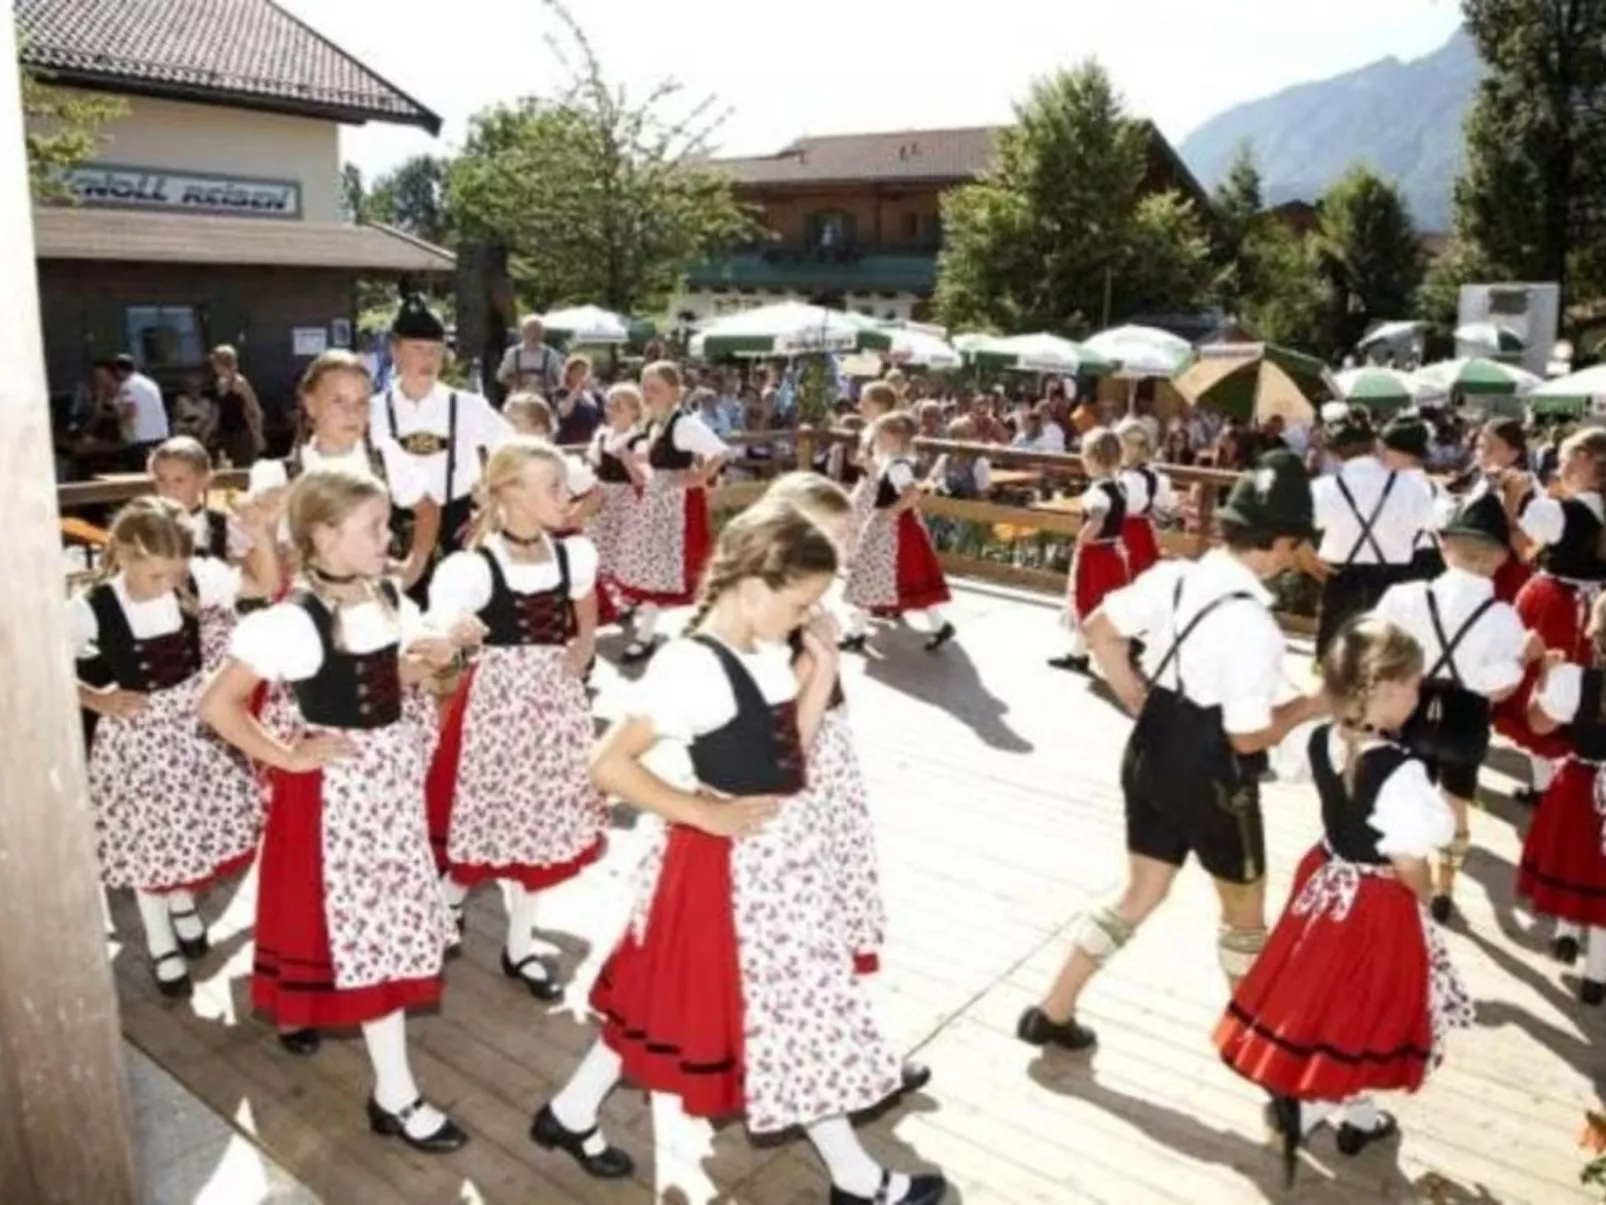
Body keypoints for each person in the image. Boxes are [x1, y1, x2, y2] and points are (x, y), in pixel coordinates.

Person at [534, 501, 946, 1205]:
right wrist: (702, 810)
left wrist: (817, 672)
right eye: (800, 602)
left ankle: (570, 1111)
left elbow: (788, 760)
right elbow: (608, 763)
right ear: (753, 587)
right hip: (727, 868)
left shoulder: (764, 652)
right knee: (795, 1013)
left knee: (670, 1002)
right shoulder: (691, 665)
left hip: (775, 858)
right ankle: (856, 1178)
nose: (806, 615)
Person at [199, 467, 477, 1150]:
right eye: (375, 527)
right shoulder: (294, 619)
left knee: (378, 930)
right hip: (342, 798)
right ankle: (397, 1094)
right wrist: (288, 754)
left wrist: (442, 654)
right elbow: (216, 705)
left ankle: (386, 1082)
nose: (391, 537)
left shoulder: (381, 593)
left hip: (390, 787)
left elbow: (393, 673)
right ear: (324, 534)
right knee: (370, 938)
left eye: (387, 523)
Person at [1018, 450, 1327, 1054]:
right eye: (1295, 548)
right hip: (1213, 769)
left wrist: (1132, 690)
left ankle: (1052, 1009)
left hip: (1152, 742)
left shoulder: (1174, 575)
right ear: (1281, 541)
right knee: (1243, 913)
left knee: (1140, 892)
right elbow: (1247, 736)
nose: (1294, 561)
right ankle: (1258, 1045)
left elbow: (1098, 628)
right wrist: (1310, 707)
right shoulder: (1253, 624)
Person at [1215, 616, 1472, 1187]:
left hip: (1327, 884)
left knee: (1338, 1005)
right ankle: (1306, 1111)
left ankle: (1360, 1118)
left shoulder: (1321, 739)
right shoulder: (1402, 773)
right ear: (1381, 690)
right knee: (1367, 1008)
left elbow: (1285, 769)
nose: (1418, 692)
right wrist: (1429, 896)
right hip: (1375, 902)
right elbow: (1407, 861)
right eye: (1412, 683)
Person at [425, 440, 606, 997]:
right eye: (551, 487)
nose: (565, 494)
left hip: (554, 706)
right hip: (499, 709)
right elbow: (443, 622)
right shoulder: (476, 566)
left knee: (541, 823)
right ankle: (447, 901)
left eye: (563, 484)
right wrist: (456, 630)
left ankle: (520, 946)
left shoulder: (571, 554)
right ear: (510, 493)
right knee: (488, 813)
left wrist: (584, 644)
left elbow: (585, 601)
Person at [71, 498, 267, 998]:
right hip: (139, 738)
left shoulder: (195, 577)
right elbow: (31, 656)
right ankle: (160, 939)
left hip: (195, 727)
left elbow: (264, 584)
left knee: (190, 827)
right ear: (126, 558)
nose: (168, 586)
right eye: (156, 575)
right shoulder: (93, 607)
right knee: (150, 838)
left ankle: (181, 903)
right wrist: (97, 697)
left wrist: (260, 532)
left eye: (174, 574)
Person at [1375, 492, 1531, 924]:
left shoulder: (1404, 596)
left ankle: (1403, 878)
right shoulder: (1504, 616)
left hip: (1407, 705)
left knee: (1406, 797)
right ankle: (1445, 888)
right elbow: (1501, 689)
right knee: (1456, 801)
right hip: (1466, 717)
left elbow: (1376, 653)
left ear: (1445, 546)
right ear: (1500, 558)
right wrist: (1518, 661)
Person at [254, 351, 440, 594]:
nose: (352, 413)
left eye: (362, 402)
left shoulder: (383, 458)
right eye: (339, 401)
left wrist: (412, 568)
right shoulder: (278, 475)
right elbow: (256, 552)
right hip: (307, 605)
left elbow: (428, 509)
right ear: (310, 404)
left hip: (374, 602)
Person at [1494, 428, 1606, 806]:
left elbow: (1522, 548)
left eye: (1568, 453)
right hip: (1596, 607)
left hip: (1555, 605)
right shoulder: (1575, 508)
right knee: (1585, 688)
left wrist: (1511, 504)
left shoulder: (1559, 512)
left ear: (1589, 460)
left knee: (1537, 685)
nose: (1560, 460)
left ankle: (1545, 786)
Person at [371, 295, 510, 594]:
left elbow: (519, 454)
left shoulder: (468, 406)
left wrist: (490, 511)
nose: (428, 359)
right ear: (395, 350)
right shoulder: (373, 411)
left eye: (435, 350)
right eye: (418, 349)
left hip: (456, 526)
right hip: (391, 530)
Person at [1518, 592, 1606, 1003]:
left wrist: (1545, 679)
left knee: (1575, 858)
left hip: (1581, 783)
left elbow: (1538, 724)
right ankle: (1598, 973)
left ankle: (1567, 933)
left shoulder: (1575, 680)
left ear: (1595, 633)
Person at [613, 360, 729, 661]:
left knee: (666, 566)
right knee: (652, 565)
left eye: (655, 388)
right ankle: (650, 626)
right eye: (645, 387)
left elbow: (720, 451)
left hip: (675, 507)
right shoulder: (656, 422)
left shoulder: (684, 423)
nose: (648, 394)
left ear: (675, 392)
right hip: (656, 502)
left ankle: (646, 634)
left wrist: (699, 477)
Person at [1306, 407, 1435, 659]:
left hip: (1341, 577)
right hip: (1394, 579)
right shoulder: (1411, 485)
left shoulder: (1324, 488)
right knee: (1382, 661)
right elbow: (1428, 523)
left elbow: (1304, 525)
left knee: (1336, 661)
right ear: (1375, 443)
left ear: (1334, 451)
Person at [840, 412, 955, 653]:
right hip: (894, 527)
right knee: (890, 578)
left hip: (891, 530)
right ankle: (939, 624)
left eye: (880, 436)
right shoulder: (892, 462)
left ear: (894, 438)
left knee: (870, 575)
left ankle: (855, 633)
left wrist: (889, 512)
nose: (877, 441)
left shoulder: (897, 466)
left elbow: (911, 494)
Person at [1050, 428, 1130, 674]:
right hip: (1113, 552)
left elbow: (1095, 521)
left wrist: (1080, 539)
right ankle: (1080, 652)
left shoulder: (1096, 493)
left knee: (1086, 599)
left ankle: (1084, 653)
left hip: (1094, 554)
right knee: (1103, 602)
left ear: (1094, 459)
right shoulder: (1121, 489)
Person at [585, 383, 648, 627]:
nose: (611, 410)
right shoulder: (601, 435)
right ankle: (604, 599)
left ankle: (627, 600)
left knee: (624, 551)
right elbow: (592, 468)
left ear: (634, 410)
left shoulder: (639, 440)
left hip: (626, 501)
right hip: (601, 498)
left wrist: (627, 458)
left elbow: (642, 479)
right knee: (597, 549)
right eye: (610, 405)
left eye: (618, 406)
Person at [1378, 415, 1445, 580]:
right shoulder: (1433, 485)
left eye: (1385, 448)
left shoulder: (1393, 485)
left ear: (1403, 451)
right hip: (1429, 562)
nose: (1380, 454)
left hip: (1401, 563)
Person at [1117, 420, 1176, 580]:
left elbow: (1165, 512)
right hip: (1140, 533)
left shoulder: (1131, 478)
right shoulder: (1153, 477)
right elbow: (1166, 510)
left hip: (1127, 533)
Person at [208, 344, 265, 467]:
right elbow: (218, 409)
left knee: (243, 469)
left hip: (241, 434)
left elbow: (255, 410)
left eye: (216, 364)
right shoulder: (220, 382)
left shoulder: (240, 383)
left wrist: (258, 435)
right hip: (225, 432)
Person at [112, 352, 170, 465]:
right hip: (160, 433)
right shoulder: (150, 383)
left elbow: (131, 409)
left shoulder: (128, 385)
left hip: (141, 436)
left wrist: (120, 420)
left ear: (119, 370)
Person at [498, 316, 564, 398]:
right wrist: (514, 382)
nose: (533, 335)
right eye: (529, 331)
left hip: (544, 397)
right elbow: (501, 376)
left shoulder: (551, 354)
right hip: (518, 397)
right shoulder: (513, 353)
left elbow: (561, 378)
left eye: (537, 332)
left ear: (542, 334)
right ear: (523, 333)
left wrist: (551, 386)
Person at [553, 355, 604, 446]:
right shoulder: (562, 394)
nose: (581, 376)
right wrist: (578, 389)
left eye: (584, 373)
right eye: (577, 372)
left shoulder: (595, 396)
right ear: (568, 374)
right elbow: (564, 412)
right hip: (569, 444)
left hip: (590, 443)